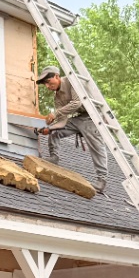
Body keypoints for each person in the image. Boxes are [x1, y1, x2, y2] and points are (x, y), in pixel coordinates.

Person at [37, 65, 108, 193]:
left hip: (93, 116)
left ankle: (101, 180)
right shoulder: (57, 97)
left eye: (48, 82)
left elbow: (77, 103)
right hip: (80, 118)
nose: (47, 86)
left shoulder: (72, 81)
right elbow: (62, 120)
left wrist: (55, 114)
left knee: (96, 147)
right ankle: (54, 157)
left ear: (57, 76)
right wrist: (50, 128)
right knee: (56, 132)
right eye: (45, 85)